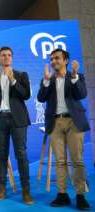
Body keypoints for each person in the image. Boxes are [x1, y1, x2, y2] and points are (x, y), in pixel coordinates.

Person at [37, 48, 90, 210]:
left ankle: (80, 195)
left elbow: (81, 94)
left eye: (57, 58)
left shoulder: (77, 76)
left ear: (65, 61)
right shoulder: (48, 79)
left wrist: (74, 76)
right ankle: (62, 194)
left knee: (77, 160)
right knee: (60, 161)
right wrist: (46, 81)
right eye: (52, 59)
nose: (54, 62)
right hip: (55, 123)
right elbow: (41, 97)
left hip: (74, 121)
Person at [0, 46, 33, 205]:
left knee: (21, 154)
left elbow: (25, 95)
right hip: (0, 120)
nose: (6, 57)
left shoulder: (21, 75)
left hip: (18, 120)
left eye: (9, 55)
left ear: (12, 58)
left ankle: (26, 191)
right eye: (3, 55)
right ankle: (1, 189)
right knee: (2, 155)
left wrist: (13, 80)